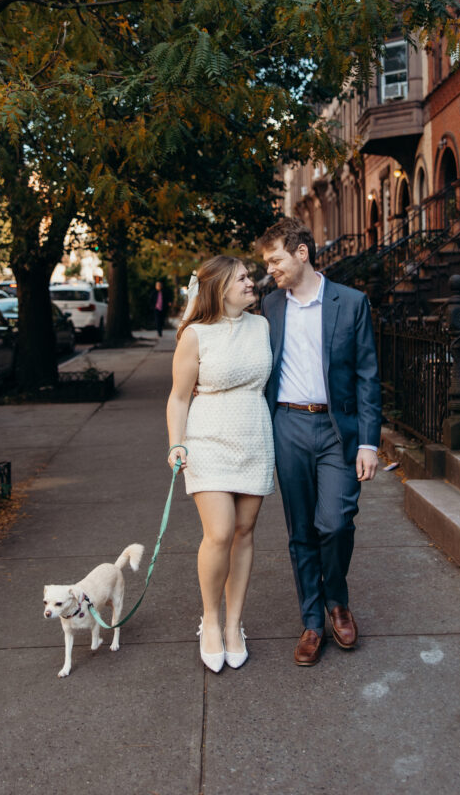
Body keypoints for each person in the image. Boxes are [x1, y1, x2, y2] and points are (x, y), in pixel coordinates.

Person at [256, 218, 381, 667]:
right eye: (267, 263)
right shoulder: (270, 305)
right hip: (287, 424)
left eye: (275, 260)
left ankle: (337, 599)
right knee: (301, 531)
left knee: (336, 523)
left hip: (336, 429)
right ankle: (313, 621)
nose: (270, 269)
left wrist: (369, 443)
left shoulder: (351, 302)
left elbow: (368, 375)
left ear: (302, 253)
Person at [166, 256, 275, 672]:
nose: (251, 282)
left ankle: (234, 625)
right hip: (208, 439)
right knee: (220, 532)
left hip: (254, 436)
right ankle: (210, 620)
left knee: (244, 532)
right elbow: (179, 397)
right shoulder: (195, 335)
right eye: (242, 278)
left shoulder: (262, 326)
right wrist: (176, 444)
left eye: (249, 276)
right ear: (220, 288)